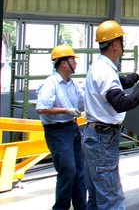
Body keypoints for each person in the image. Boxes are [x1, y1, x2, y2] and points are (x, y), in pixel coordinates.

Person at [82, 20, 139, 210]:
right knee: (111, 198)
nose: (123, 44)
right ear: (115, 44)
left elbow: (118, 84)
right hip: (102, 139)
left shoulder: (99, 67)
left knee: (96, 197)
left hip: (95, 136)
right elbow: (120, 103)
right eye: (121, 40)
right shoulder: (105, 71)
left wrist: (136, 76)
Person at [36, 44, 87, 210]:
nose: (76, 63)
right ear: (64, 63)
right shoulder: (51, 83)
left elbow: (85, 98)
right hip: (57, 132)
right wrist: (66, 110)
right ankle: (60, 208)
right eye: (73, 60)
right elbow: (41, 108)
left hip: (72, 129)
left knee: (80, 171)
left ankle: (82, 207)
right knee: (68, 170)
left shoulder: (72, 84)